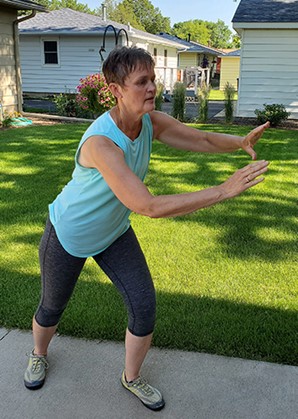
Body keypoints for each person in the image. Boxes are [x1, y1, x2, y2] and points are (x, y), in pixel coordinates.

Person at [24, 46, 269, 411]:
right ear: (117, 90)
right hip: (68, 234)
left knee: (144, 306)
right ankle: (39, 353)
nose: (152, 87)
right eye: (142, 81)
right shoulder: (102, 143)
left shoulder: (149, 122)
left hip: (113, 232)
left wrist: (239, 142)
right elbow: (148, 206)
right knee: (52, 307)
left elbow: (198, 139)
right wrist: (223, 190)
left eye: (152, 79)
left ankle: (132, 377)